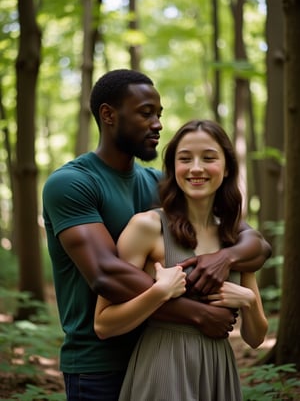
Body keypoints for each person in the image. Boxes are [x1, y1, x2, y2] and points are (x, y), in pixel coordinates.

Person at [42, 69, 270, 401]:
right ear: (108, 115)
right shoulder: (72, 183)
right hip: (99, 362)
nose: (158, 124)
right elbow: (107, 274)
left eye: (159, 114)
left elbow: (256, 244)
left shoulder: (157, 184)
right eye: (146, 112)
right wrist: (200, 314)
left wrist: (224, 257)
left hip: (161, 349)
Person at [94, 119, 268, 401]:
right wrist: (159, 293)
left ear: (226, 169)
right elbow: (103, 324)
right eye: (185, 159)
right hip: (163, 368)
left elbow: (256, 338)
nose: (196, 168)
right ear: (174, 169)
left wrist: (248, 300)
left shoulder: (235, 236)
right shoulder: (146, 227)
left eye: (209, 158)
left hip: (219, 372)